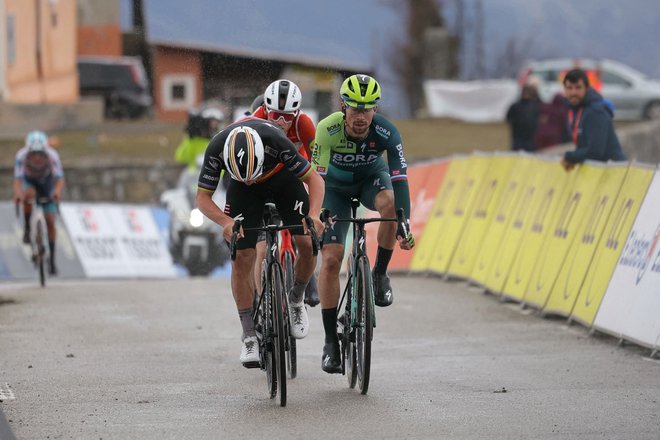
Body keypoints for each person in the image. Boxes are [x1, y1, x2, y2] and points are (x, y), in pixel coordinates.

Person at [195, 119, 325, 367]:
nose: (253, 180)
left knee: (306, 242)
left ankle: (296, 299)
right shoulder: (217, 148)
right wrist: (225, 222)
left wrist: (315, 215)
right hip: (243, 192)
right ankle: (248, 335)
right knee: (242, 257)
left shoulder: (276, 141)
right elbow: (202, 198)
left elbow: (315, 181)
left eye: (254, 176)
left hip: (283, 180)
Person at [311, 74, 415, 374]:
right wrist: (318, 215)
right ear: (343, 107)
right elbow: (317, 179)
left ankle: (379, 274)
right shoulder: (327, 130)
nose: (361, 116)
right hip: (335, 189)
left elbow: (400, 178)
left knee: (389, 204)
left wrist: (404, 223)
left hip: (372, 181)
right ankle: (331, 342)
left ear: (375, 110)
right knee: (331, 260)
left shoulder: (387, 132)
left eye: (367, 109)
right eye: (355, 109)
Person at [248, 79, 320, 307]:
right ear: (266, 111)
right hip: (258, 179)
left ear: (297, 113)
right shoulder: (254, 121)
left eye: (287, 116)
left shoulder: (304, 125)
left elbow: (317, 166)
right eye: (276, 115)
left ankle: (307, 280)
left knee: (307, 231)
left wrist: (316, 206)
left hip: (292, 175)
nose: (281, 121)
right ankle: (262, 304)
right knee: (260, 249)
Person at [13, 131, 65, 275]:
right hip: (29, 181)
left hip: (46, 182)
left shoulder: (52, 155)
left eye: (40, 153)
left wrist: (57, 192)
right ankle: (28, 229)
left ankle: (52, 261)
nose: (36, 157)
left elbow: (60, 179)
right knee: (27, 195)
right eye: (33, 153)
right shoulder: (21, 156)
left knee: (50, 221)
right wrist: (18, 194)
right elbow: (17, 180)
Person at [560, 68, 626, 171]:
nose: (573, 92)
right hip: (599, 171)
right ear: (564, 89)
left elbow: (595, 152)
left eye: (578, 88)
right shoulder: (575, 110)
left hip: (614, 172)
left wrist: (569, 157)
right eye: (569, 88)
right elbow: (583, 145)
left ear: (587, 88)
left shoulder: (596, 111)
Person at [505, 83, 540, 152]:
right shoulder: (515, 106)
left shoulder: (534, 106)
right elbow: (508, 118)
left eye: (528, 92)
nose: (526, 94)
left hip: (530, 137)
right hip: (518, 137)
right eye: (525, 92)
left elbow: (537, 119)